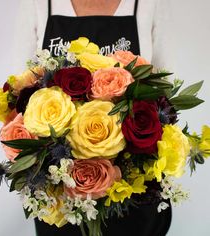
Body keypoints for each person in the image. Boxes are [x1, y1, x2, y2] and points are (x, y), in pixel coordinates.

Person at [13, 0, 173, 235]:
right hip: (63, 200)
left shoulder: (148, 5)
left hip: (132, 197)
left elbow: (166, 98)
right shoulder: (39, 5)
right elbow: (18, 96)